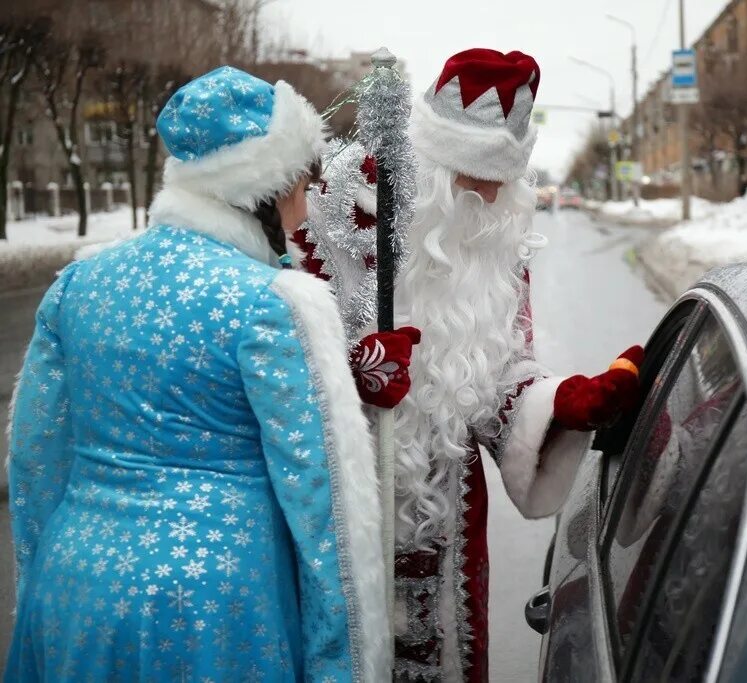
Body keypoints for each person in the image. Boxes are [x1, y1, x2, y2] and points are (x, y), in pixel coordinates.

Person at [5, 66, 389, 682]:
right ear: (269, 188)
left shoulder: (77, 285)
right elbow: (326, 507)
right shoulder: (275, 303)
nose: (305, 209)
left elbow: (34, 459)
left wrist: (40, 584)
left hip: (75, 588)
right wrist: (339, 664)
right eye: (302, 187)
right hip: (216, 608)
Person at [295, 49, 644, 682]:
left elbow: (495, 375)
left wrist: (560, 403)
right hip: (338, 501)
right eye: (472, 177)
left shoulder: (497, 243)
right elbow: (270, 347)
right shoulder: (337, 215)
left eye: (500, 181)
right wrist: (352, 370)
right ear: (431, 163)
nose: (487, 197)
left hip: (443, 509)